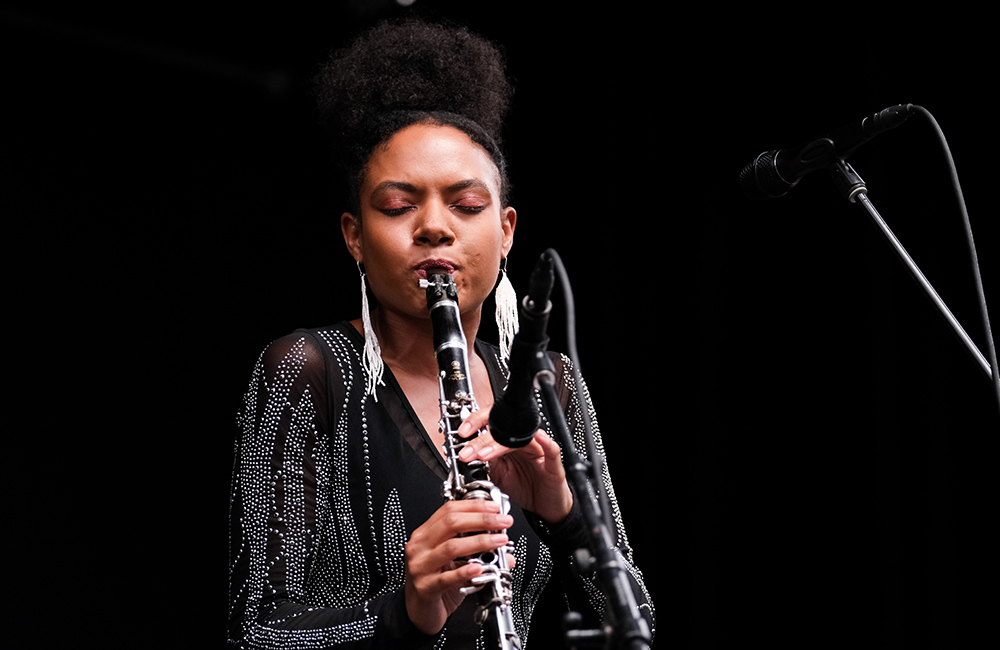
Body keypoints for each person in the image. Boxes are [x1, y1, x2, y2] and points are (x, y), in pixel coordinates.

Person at [227, 18, 654, 649]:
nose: (434, 227)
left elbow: (638, 622)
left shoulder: (550, 382)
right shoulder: (307, 369)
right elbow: (256, 632)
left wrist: (565, 517)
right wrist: (406, 610)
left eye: (467, 205)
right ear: (354, 237)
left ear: (506, 232)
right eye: (398, 206)